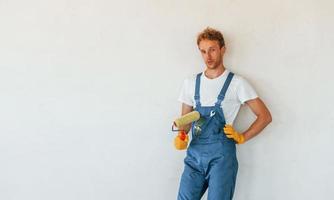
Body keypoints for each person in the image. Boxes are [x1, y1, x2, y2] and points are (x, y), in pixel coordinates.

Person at [175, 27, 272, 200]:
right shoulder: (190, 83)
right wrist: (181, 134)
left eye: (212, 50)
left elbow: (265, 116)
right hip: (194, 155)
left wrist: (242, 136)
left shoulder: (237, 83)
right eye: (203, 51)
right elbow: (185, 123)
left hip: (222, 158)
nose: (208, 56)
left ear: (222, 49)